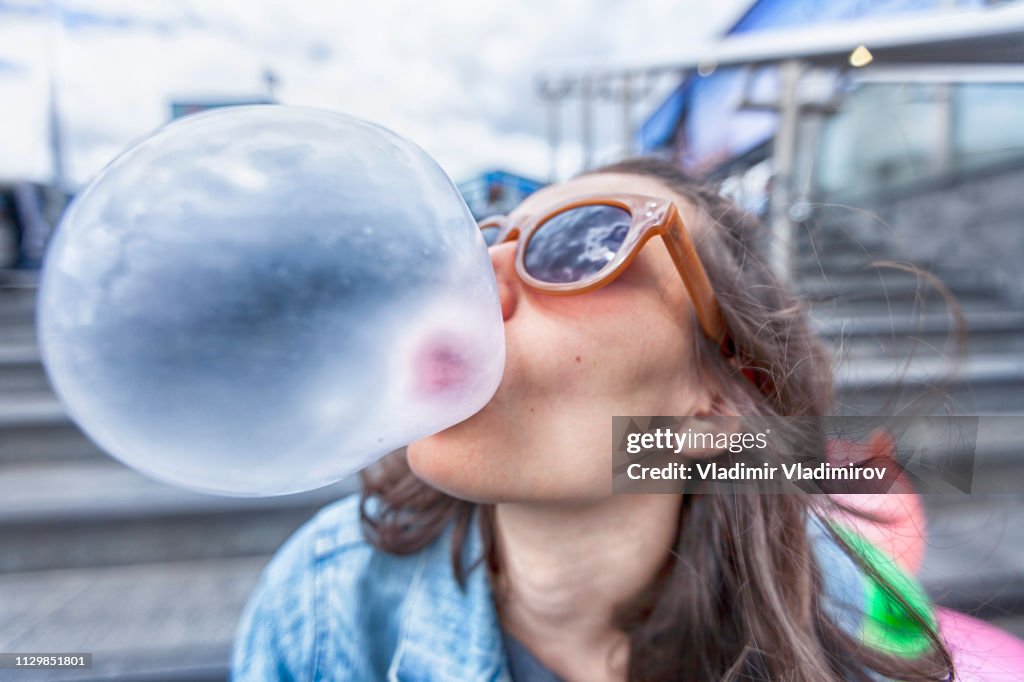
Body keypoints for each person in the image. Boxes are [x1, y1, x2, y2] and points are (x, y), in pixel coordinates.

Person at [231, 158, 955, 681]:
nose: (474, 278)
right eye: (482, 243)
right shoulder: (324, 600)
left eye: (580, 245)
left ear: (717, 407)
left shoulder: (838, 606)